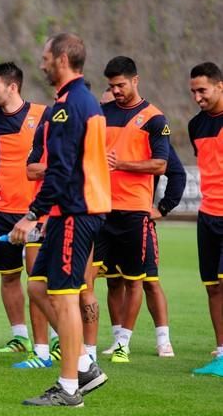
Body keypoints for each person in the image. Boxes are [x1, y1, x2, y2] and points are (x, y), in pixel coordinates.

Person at [11, 33, 110, 407]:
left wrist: (33, 214)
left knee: (66, 297)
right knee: (38, 288)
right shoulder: (81, 101)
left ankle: (69, 388)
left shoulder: (70, 106)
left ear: (62, 58)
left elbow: (61, 169)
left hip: (76, 212)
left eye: (45, 57)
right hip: (72, 211)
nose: (41, 63)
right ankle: (84, 365)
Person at [96, 56, 170, 363]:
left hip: (135, 210)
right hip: (102, 207)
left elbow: (161, 164)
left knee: (136, 278)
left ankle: (126, 342)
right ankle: (115, 339)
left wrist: (121, 164)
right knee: (110, 279)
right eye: (111, 86)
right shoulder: (102, 113)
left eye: (121, 85)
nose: (116, 91)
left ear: (135, 80)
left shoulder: (154, 118)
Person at [0, 62, 55, 364]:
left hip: (36, 211)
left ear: (12, 87)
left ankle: (55, 339)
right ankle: (20, 336)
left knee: (38, 278)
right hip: (1, 210)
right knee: (9, 276)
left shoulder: (43, 115)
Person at [101, 146, 186, 358]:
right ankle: (119, 340)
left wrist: (163, 207)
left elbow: (176, 173)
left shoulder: (150, 132)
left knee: (149, 281)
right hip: (106, 218)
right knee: (113, 282)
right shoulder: (104, 124)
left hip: (137, 218)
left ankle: (163, 340)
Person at [188, 62, 223, 376]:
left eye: (203, 90)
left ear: (220, 86)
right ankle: (222, 354)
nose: (198, 97)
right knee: (212, 286)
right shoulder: (195, 125)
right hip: (208, 214)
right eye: (193, 92)